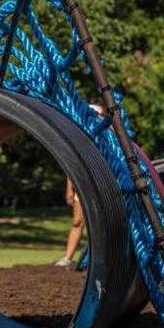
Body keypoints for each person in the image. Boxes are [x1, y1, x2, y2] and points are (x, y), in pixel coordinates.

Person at [54, 103, 104, 268]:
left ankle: (99, 259)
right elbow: (72, 165)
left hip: (99, 185)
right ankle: (68, 257)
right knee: (77, 221)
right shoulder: (78, 138)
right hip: (82, 186)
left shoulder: (104, 139)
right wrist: (69, 187)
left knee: (100, 224)